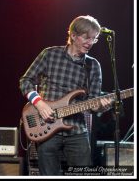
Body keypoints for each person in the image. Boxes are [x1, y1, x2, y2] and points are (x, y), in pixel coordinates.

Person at [19, 15, 113, 175]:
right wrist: (40, 104)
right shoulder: (49, 54)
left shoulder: (93, 65)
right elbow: (25, 81)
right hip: (46, 128)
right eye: (86, 37)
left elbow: (93, 103)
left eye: (94, 39)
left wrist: (101, 106)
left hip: (77, 130)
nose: (90, 43)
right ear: (73, 35)